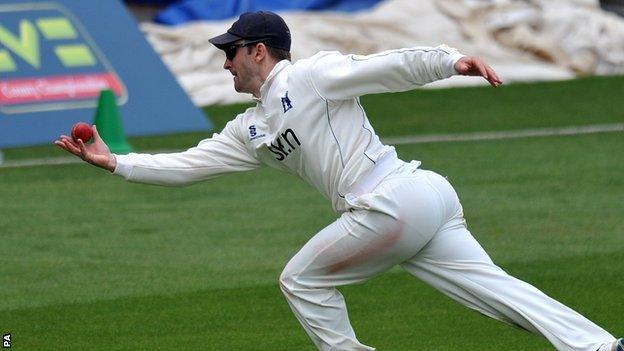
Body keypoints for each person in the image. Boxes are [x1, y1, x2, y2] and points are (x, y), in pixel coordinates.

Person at [55, 11, 621, 351]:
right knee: (496, 295)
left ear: (258, 51)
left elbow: (385, 66)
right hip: (416, 202)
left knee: (301, 280)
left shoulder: (309, 74)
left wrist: (451, 61)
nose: (224, 63)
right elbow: (189, 165)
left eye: (230, 52)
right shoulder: (247, 128)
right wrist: (116, 163)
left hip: (394, 199)